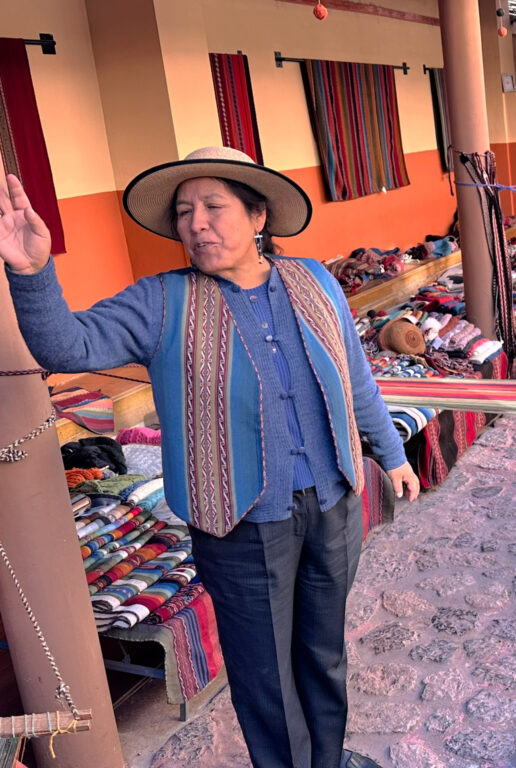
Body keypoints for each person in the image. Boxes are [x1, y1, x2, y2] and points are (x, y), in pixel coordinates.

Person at [0, 146, 420, 768]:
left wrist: (392, 455)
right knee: (265, 676)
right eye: (184, 211)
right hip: (242, 524)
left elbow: (355, 376)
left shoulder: (315, 280)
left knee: (323, 654)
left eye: (214, 206)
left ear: (257, 217)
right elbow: (66, 343)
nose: (196, 222)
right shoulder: (161, 301)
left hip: (332, 505)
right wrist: (33, 272)